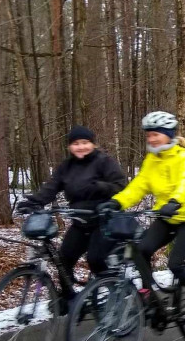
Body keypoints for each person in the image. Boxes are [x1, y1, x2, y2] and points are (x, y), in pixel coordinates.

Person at [97, 111, 185, 324]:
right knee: (141, 250)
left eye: (155, 135)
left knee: (175, 264)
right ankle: (148, 293)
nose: (151, 139)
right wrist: (117, 202)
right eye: (148, 135)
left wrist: (175, 201)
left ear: (168, 134)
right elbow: (139, 185)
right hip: (167, 216)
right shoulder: (152, 159)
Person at [16, 125, 127, 310]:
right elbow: (52, 187)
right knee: (64, 259)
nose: (81, 147)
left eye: (85, 142)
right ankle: (68, 299)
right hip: (80, 221)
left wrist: (100, 187)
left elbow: (121, 185)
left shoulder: (104, 162)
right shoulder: (66, 167)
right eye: (76, 143)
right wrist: (34, 202)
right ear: (70, 146)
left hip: (104, 220)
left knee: (96, 259)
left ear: (92, 144)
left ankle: (116, 294)